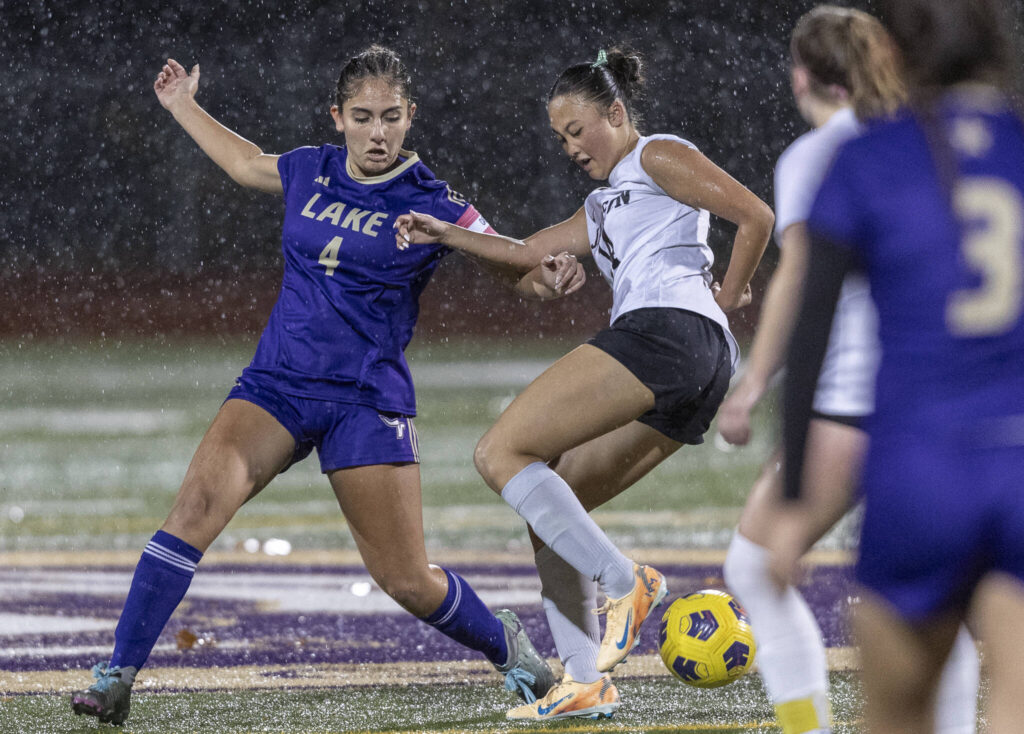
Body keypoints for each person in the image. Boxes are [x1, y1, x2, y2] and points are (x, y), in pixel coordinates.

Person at [68, 46, 577, 726]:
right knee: (192, 509)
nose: (377, 133)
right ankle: (116, 676)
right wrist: (183, 105)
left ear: (410, 118)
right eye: (362, 117)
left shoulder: (433, 200)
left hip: (365, 401)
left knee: (405, 579)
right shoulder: (311, 168)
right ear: (337, 117)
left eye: (390, 118)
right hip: (277, 386)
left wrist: (549, 280)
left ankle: (508, 649)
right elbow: (247, 163)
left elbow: (516, 269)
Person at [396, 46, 773, 720]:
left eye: (578, 130)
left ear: (618, 114)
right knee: (555, 507)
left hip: (672, 330)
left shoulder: (655, 154)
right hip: (697, 363)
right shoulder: (600, 208)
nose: (571, 146)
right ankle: (583, 679)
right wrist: (445, 234)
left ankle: (628, 582)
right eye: (560, 137)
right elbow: (526, 253)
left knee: (499, 453)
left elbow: (755, 215)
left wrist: (736, 288)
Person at [717, 7, 979, 734]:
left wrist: (754, 383)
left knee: (753, 568)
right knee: (934, 596)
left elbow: (800, 277)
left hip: (850, 405)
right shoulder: (930, 139)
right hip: (935, 404)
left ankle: (810, 728)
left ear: (803, 75)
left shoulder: (820, 156)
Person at [777, 0, 1024, 731]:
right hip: (1020, 456)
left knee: (897, 713)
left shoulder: (868, 158)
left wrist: (794, 500)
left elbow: (808, 332)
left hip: (921, 465)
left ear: (900, 56)